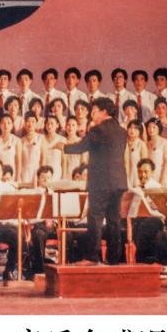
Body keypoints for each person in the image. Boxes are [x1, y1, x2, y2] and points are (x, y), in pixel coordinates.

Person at [62, 97, 127, 265]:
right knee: (114, 220)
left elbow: (80, 147)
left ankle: (92, 257)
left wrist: (62, 147)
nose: (92, 114)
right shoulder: (122, 131)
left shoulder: (98, 130)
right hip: (118, 182)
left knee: (95, 218)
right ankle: (114, 259)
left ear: (104, 111)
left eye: (94, 111)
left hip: (101, 182)